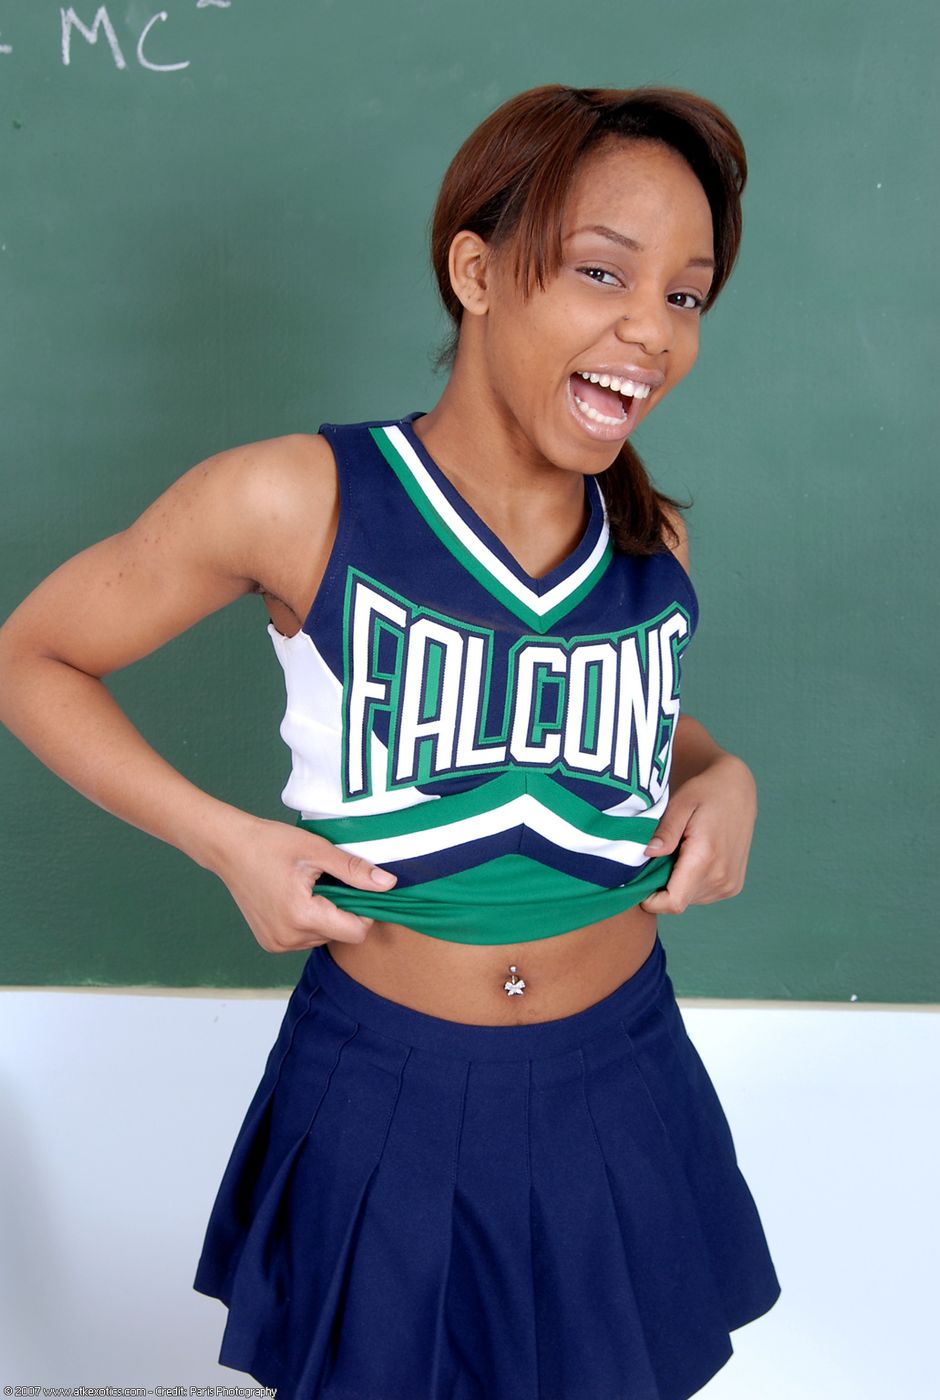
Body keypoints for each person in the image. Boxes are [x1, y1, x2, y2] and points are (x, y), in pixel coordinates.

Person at [0, 83, 781, 1400]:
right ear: (476, 272)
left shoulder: (652, 541)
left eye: (686, 295)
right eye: (602, 272)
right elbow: (33, 658)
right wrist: (228, 843)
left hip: (623, 1070)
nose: (652, 330)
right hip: (386, 1088)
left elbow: (612, 729)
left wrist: (722, 772)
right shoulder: (295, 496)